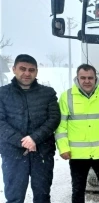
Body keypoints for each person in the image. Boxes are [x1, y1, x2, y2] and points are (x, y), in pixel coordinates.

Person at [55, 64, 99, 203]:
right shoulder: (66, 97)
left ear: (95, 78)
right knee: (78, 190)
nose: (87, 81)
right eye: (83, 78)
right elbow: (60, 126)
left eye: (90, 78)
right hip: (77, 154)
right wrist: (63, 148)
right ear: (77, 78)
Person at [0, 54, 61, 203]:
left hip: (42, 153)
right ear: (14, 69)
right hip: (13, 154)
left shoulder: (48, 93)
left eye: (31, 70)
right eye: (22, 69)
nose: (27, 73)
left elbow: (54, 118)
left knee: (42, 196)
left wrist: (34, 138)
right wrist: (22, 142)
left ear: (36, 72)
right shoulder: (2, 93)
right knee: (14, 197)